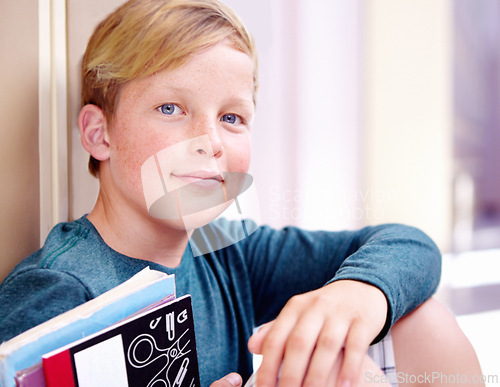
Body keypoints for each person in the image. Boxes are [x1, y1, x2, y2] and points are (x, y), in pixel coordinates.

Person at [0, 0, 483, 386]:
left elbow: (411, 246)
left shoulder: (228, 251)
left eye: (231, 118)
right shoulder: (58, 290)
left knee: (423, 323)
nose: (210, 141)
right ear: (99, 134)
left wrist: (358, 296)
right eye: (171, 108)